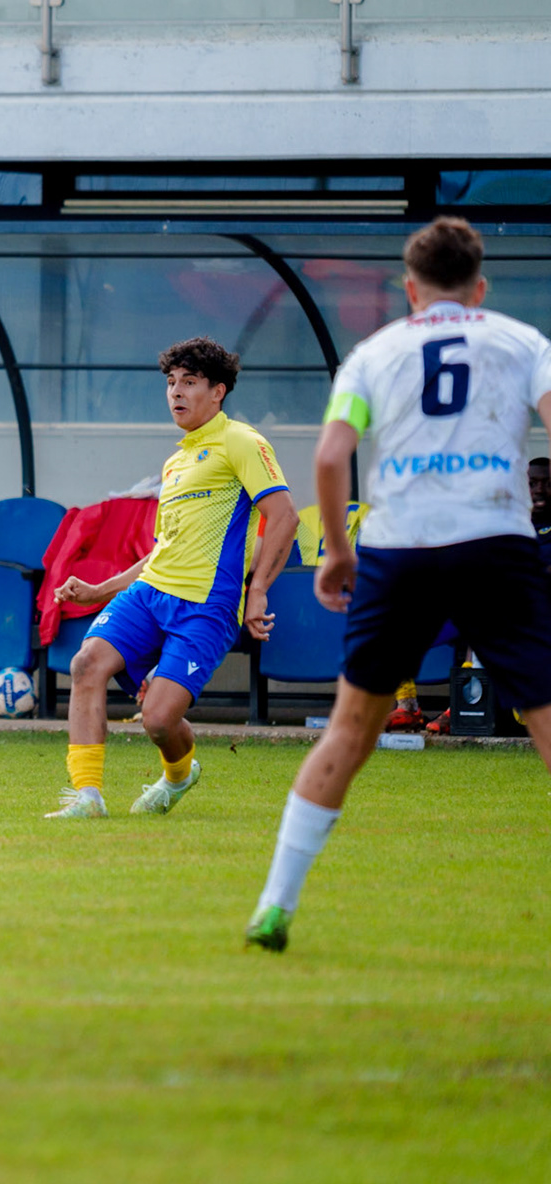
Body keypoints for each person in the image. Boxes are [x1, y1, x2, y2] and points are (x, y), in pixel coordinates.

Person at [246, 217, 551, 952]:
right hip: (494, 541)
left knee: (351, 732)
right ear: (479, 286)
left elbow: (329, 456)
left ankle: (275, 906)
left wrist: (339, 553)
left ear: (410, 291)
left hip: (399, 551)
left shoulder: (374, 353)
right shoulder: (522, 342)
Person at [47, 337, 297, 818]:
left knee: (160, 720)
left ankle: (180, 775)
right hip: (148, 594)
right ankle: (87, 798)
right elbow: (164, 549)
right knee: (85, 665)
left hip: (206, 605)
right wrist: (100, 589)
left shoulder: (241, 441)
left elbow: (284, 517)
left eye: (189, 382)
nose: (176, 393)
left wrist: (258, 590)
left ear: (218, 391)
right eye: (171, 383)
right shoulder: (177, 460)